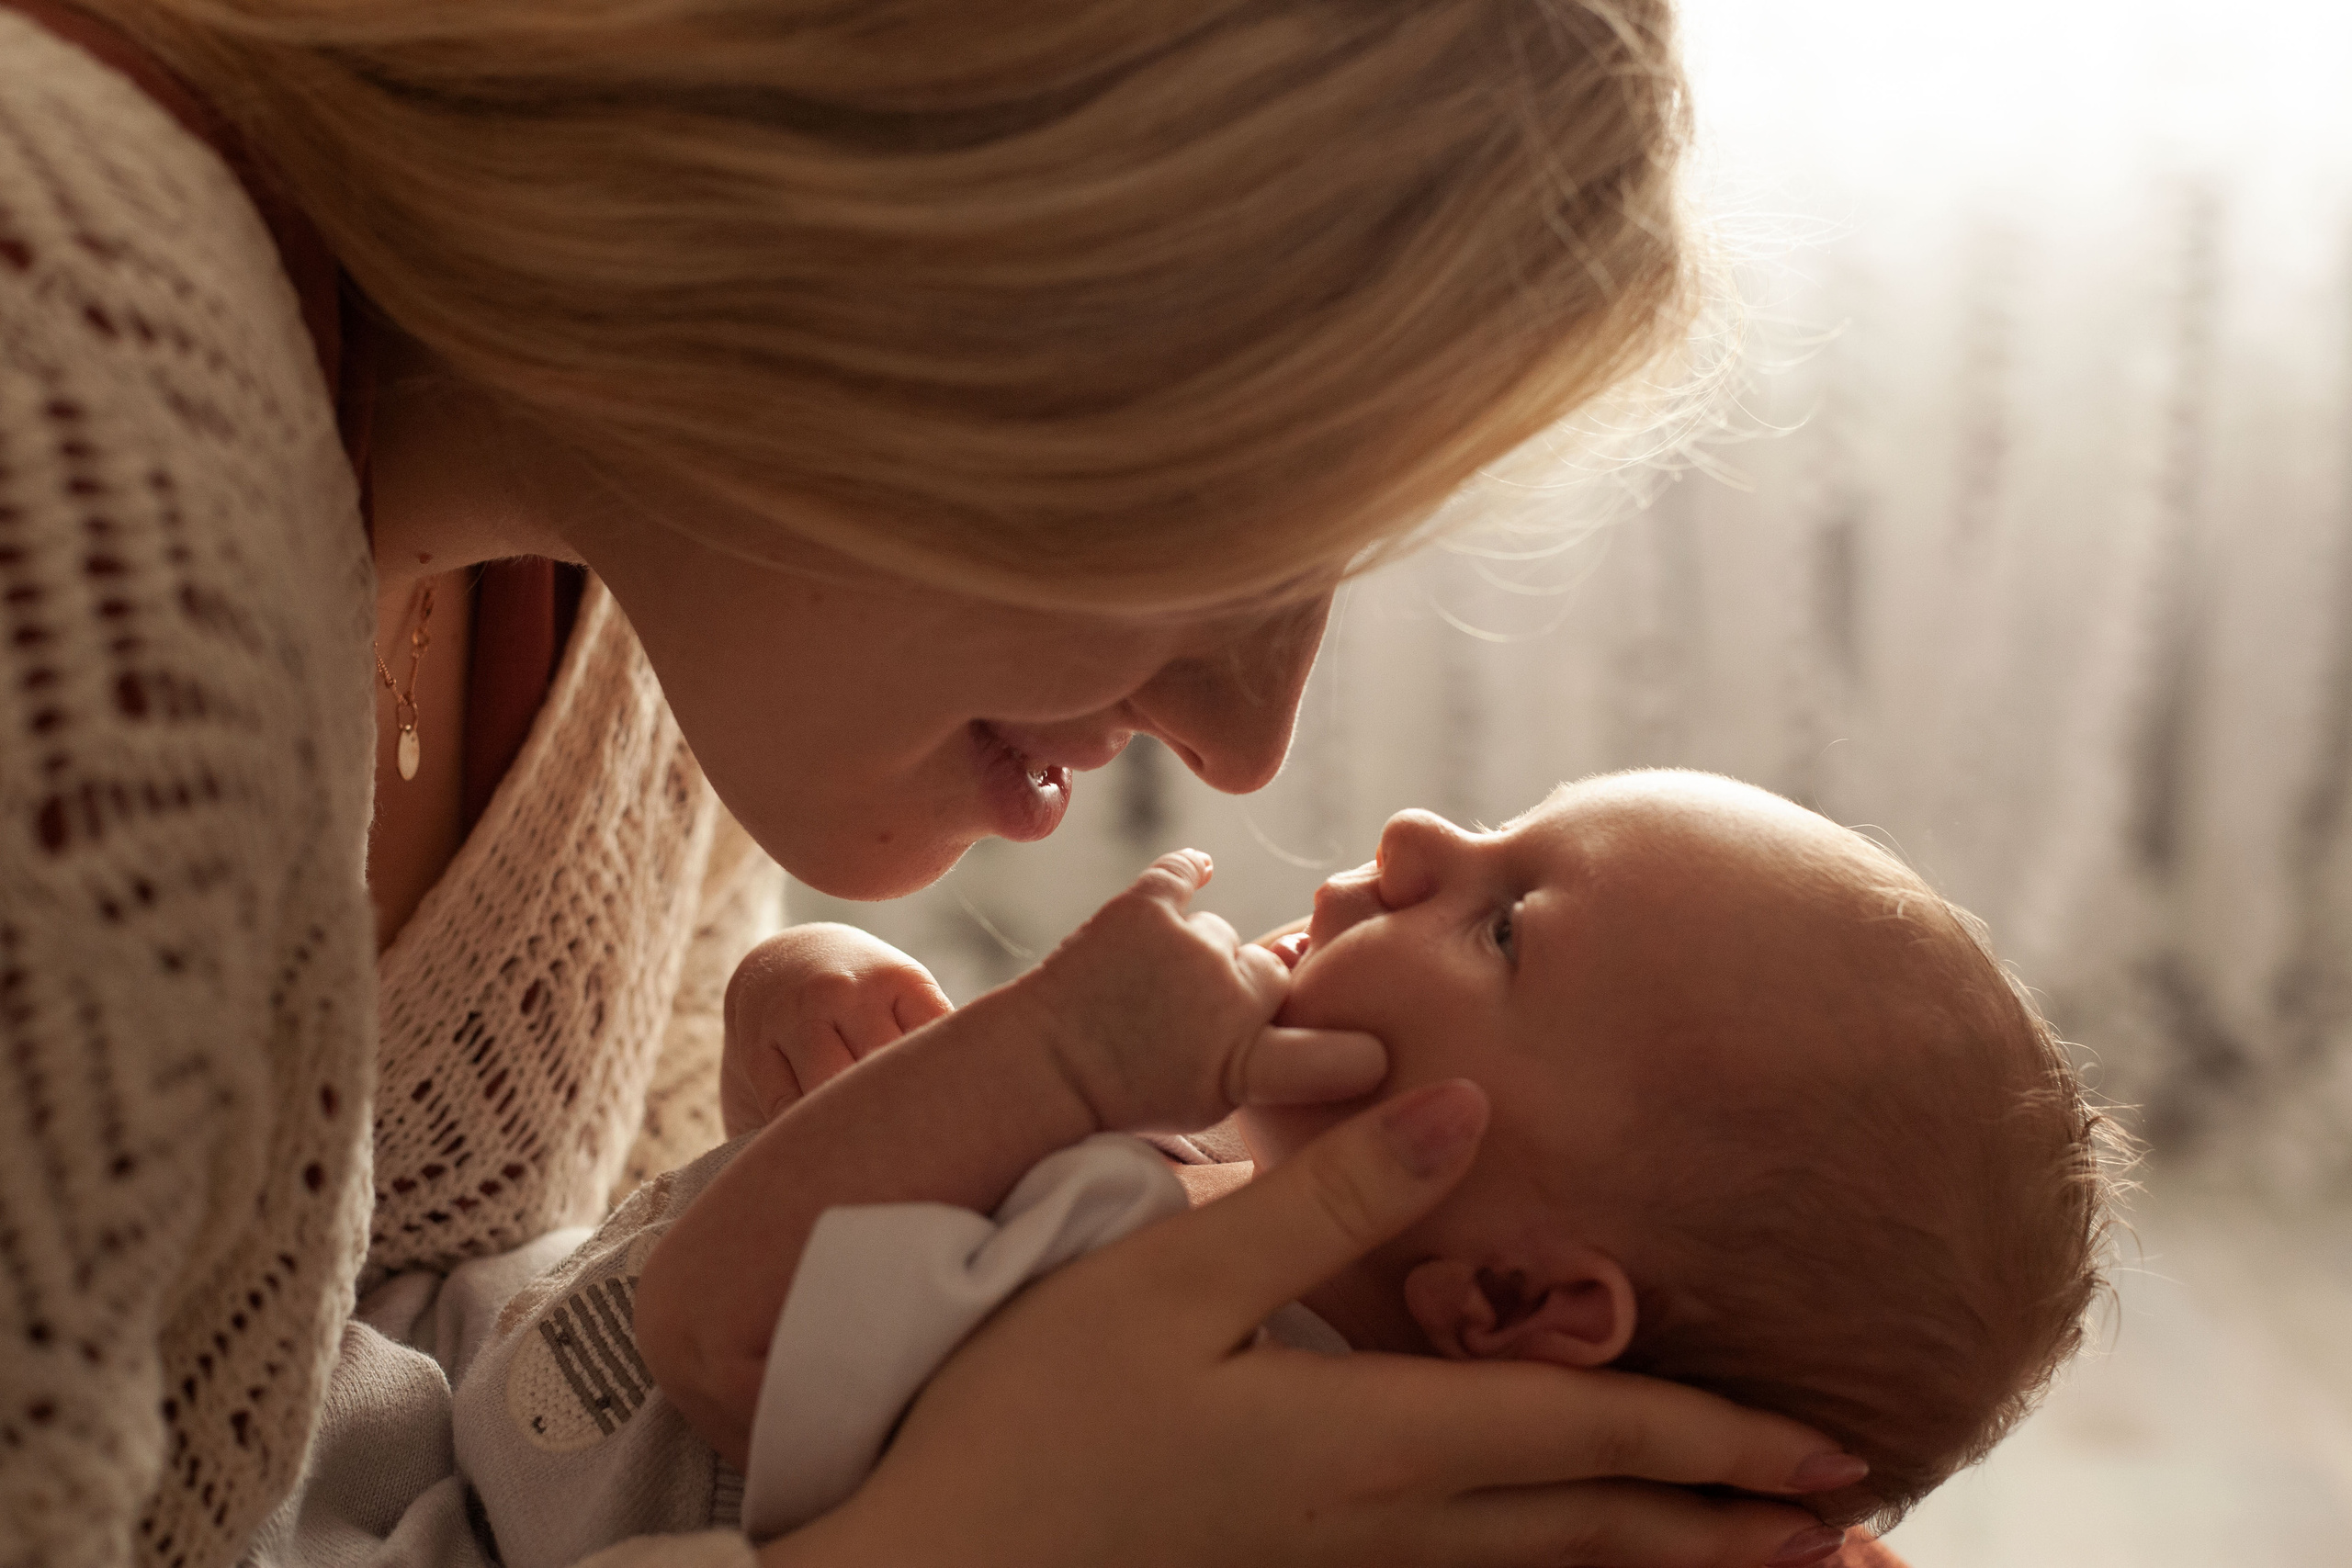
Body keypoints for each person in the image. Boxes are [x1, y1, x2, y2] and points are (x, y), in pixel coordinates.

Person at [0, 2, 1887, 1565]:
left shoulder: (659, 597)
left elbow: (594, 1393)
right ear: (955, 271)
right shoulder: (75, 437)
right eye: (1240, 533)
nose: (1246, 746)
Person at [441, 772, 2113, 1566]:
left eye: (1507, 921)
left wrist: (1047, 1056)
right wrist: (820, 1063)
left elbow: (717, 1328)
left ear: (1521, 1300)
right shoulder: (1332, 1431)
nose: (1418, 843)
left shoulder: (1130, 1260)